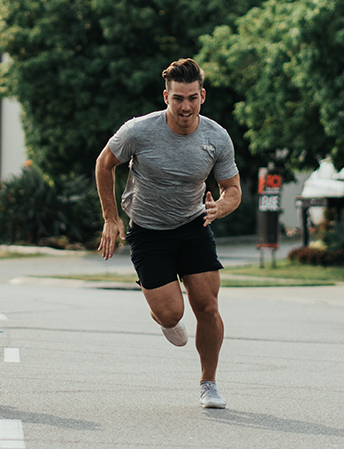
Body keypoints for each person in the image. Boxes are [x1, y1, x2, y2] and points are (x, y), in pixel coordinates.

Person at [95, 58, 241, 409]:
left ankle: (209, 383)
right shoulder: (138, 131)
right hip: (148, 231)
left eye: (192, 97)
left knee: (207, 306)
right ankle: (161, 311)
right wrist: (111, 218)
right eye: (178, 98)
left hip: (194, 225)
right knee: (172, 314)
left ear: (202, 96)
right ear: (166, 97)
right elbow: (104, 164)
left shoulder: (217, 137)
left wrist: (220, 206)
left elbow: (232, 188)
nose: (185, 106)